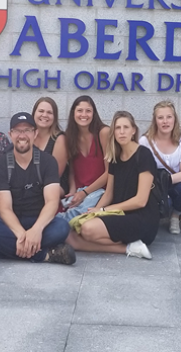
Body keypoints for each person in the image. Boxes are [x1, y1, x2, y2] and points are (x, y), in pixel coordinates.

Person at [0, 112, 75, 265]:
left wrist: (36, 230)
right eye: (17, 131)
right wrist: (21, 235)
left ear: (35, 133)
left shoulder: (47, 161)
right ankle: (44, 255)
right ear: (10, 134)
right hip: (9, 223)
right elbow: (4, 209)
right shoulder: (1, 164)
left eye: (27, 130)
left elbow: (52, 202)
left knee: (62, 228)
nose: (22, 135)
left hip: (38, 220)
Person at [66, 111, 159, 259]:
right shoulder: (115, 157)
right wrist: (95, 211)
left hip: (141, 219)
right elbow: (109, 193)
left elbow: (141, 201)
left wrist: (104, 210)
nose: (122, 132)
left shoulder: (144, 155)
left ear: (133, 130)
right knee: (72, 238)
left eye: (126, 127)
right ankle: (131, 248)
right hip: (119, 215)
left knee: (88, 229)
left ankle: (130, 246)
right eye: (117, 128)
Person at [139, 100, 181, 235]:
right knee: (165, 204)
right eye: (160, 118)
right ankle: (154, 218)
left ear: (174, 119)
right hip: (153, 187)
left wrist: (164, 180)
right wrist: (157, 184)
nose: (165, 121)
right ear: (155, 121)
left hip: (173, 184)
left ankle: (175, 216)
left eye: (169, 117)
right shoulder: (145, 141)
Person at [58, 96, 109, 221]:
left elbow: (110, 172)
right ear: (73, 113)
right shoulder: (70, 136)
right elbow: (72, 171)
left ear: (94, 113)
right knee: (56, 208)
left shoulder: (104, 133)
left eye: (88, 111)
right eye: (80, 110)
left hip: (100, 192)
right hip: (80, 191)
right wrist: (73, 191)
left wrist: (84, 193)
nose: (84, 115)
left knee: (76, 215)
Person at [32, 97, 69, 194]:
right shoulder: (28, 136)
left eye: (49, 112)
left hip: (53, 186)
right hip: (29, 184)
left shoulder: (60, 139)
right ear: (34, 113)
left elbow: (55, 175)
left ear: (54, 117)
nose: (44, 115)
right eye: (41, 111)